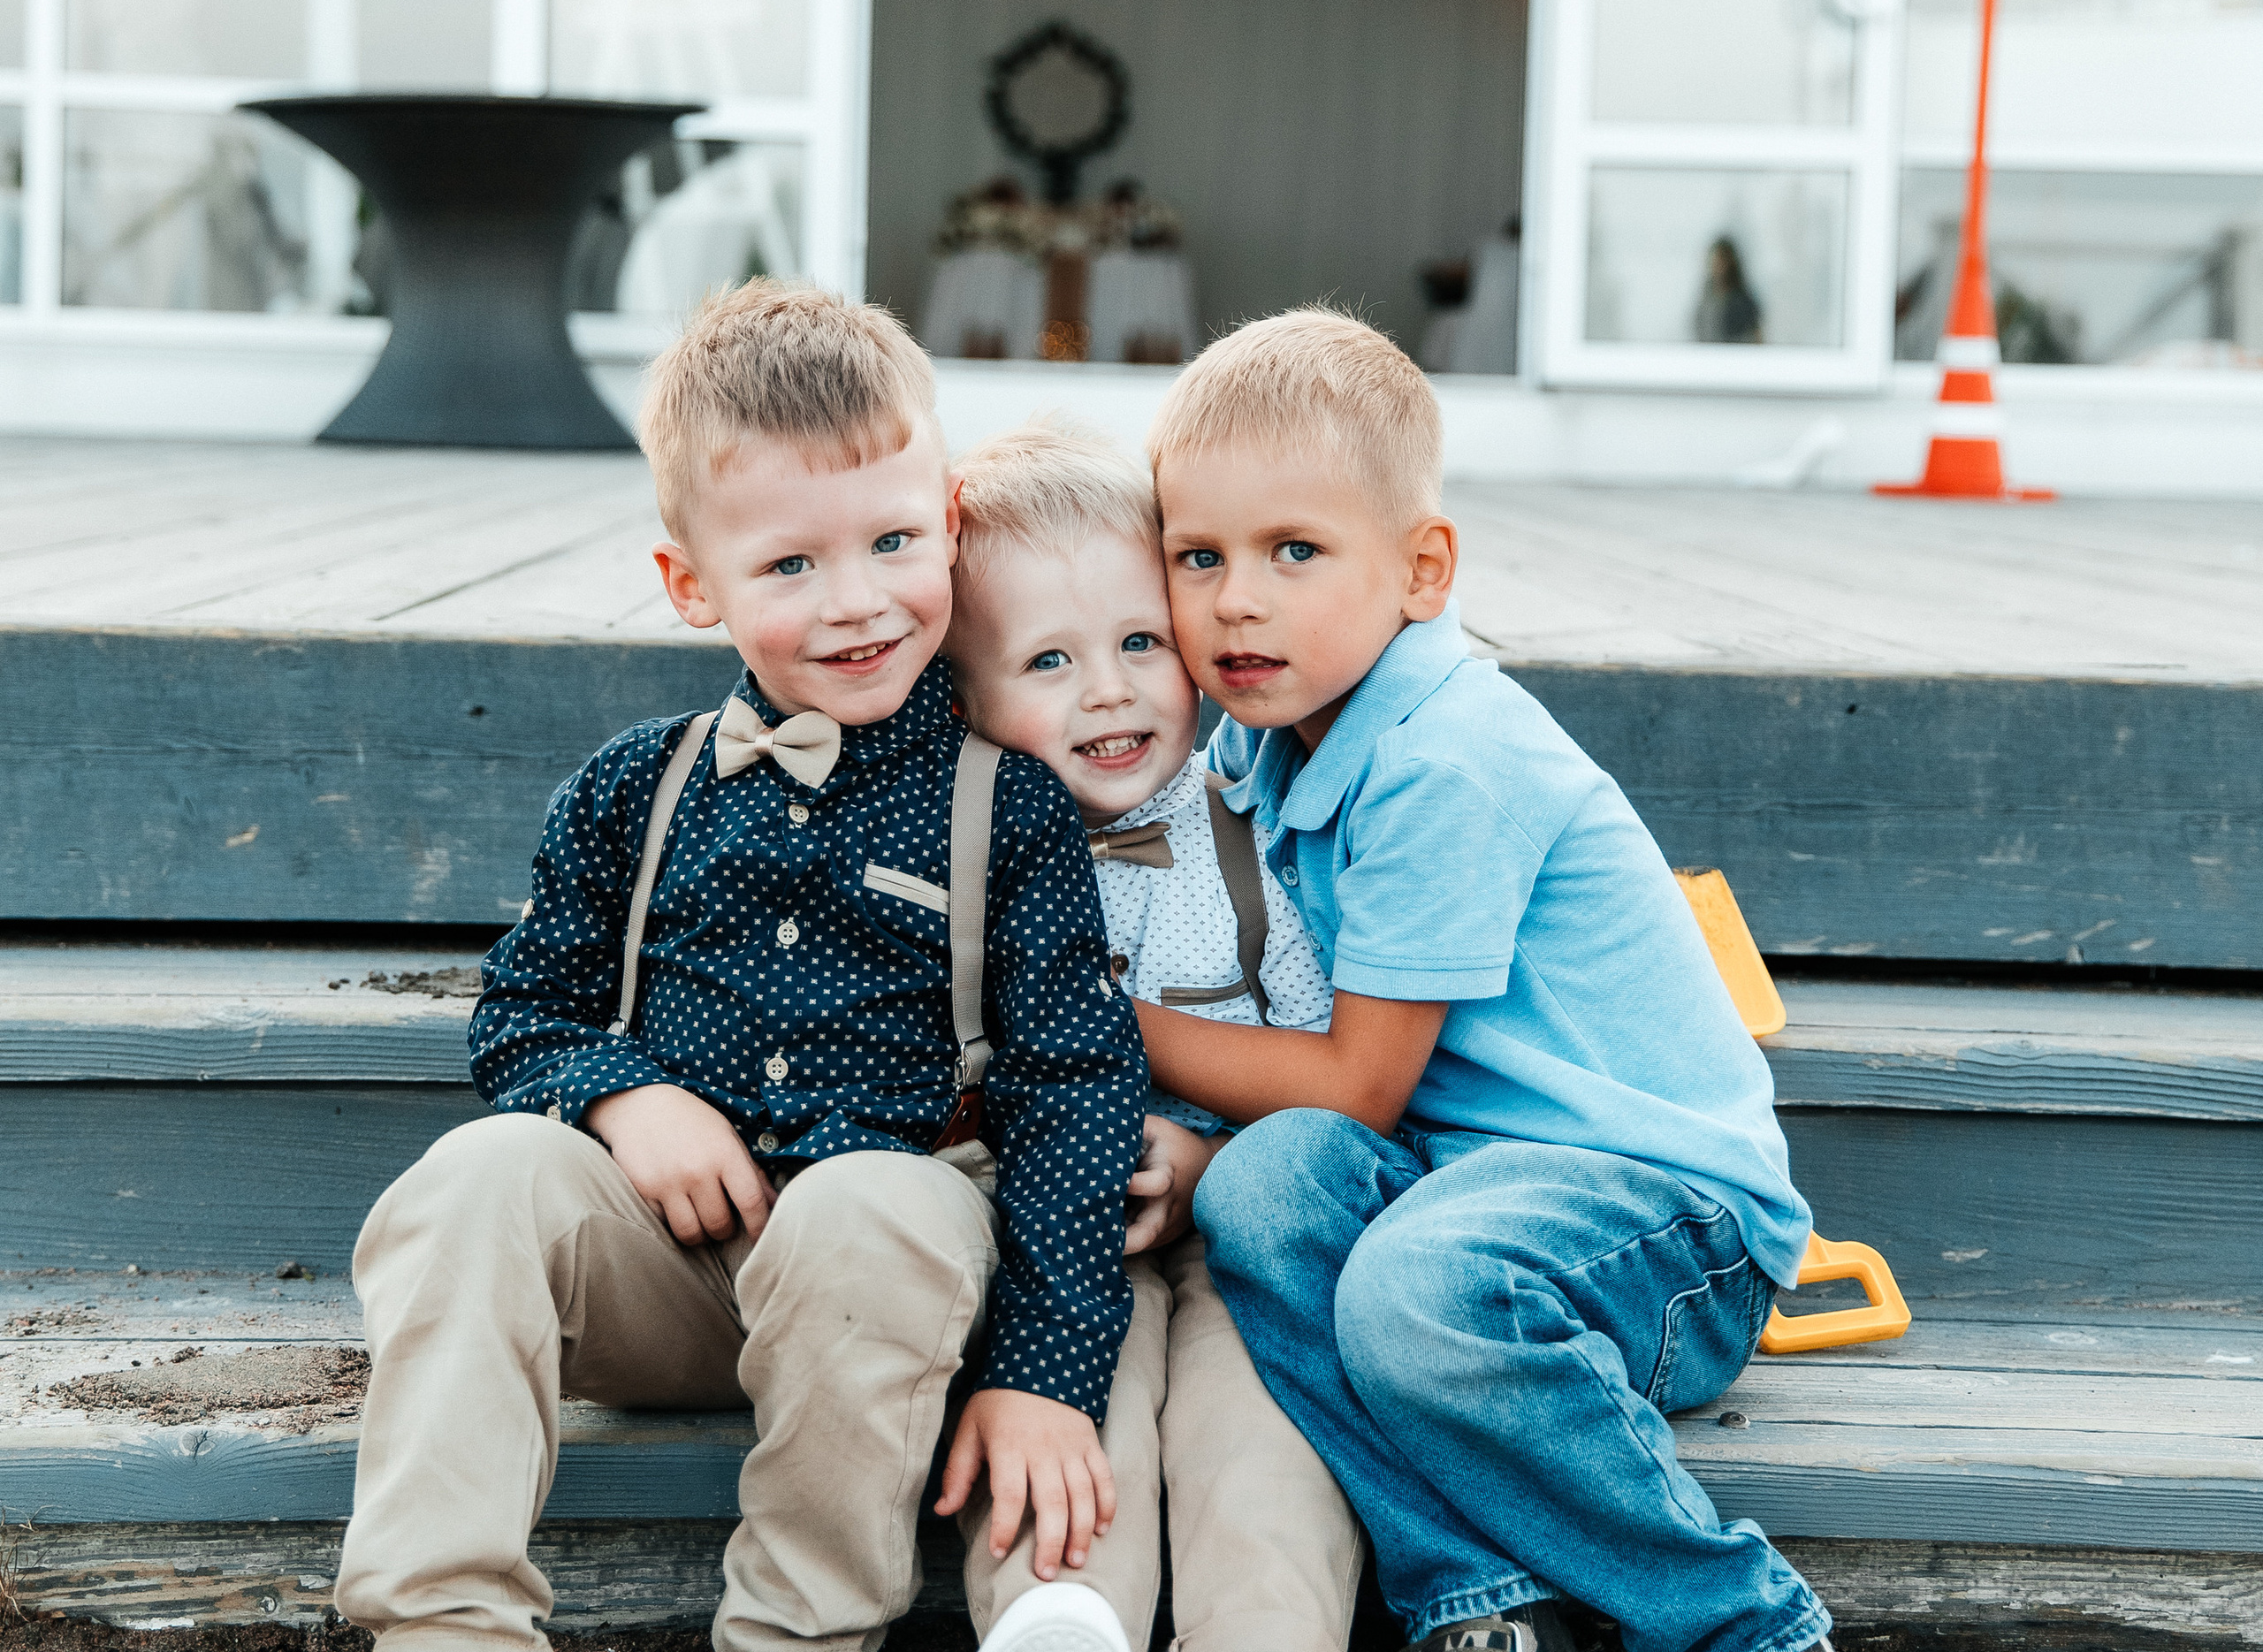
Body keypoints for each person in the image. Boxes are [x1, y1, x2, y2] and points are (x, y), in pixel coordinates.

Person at [335, 280, 1146, 1652]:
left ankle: (794, 1635)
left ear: (948, 520)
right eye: (789, 567)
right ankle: (444, 1624)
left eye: (893, 541)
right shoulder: (632, 791)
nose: (857, 602)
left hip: (890, 1272)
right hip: (673, 1272)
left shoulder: (1005, 805)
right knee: (475, 1176)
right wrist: (622, 1096)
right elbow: (523, 1008)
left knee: (869, 1214)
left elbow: (1074, 1089)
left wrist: (1048, 1369)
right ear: (689, 584)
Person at [1132, 308, 1828, 1652]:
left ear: (1422, 569)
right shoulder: (1269, 742)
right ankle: (1483, 1599)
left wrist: (1109, 1021)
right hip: (1463, 1191)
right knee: (1265, 1188)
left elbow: (1356, 1085)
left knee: (1413, 1288)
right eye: (1197, 556)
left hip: (1668, 1231)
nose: (1234, 601)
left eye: (1294, 551)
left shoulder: (1445, 758)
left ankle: (1740, 1624)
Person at [944, 418, 1365, 1652]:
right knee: (1072, 1394)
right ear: (963, 701)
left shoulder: (1255, 825)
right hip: (1058, 1235)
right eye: (1049, 660)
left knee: (1264, 1408)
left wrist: (1210, 1159)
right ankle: (1060, 1614)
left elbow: (1331, 1069)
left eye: (1141, 642)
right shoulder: (961, 860)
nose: (1110, 690)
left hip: (1244, 1219)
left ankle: (1266, 1629)